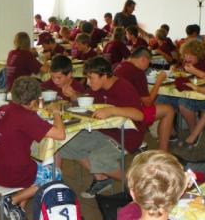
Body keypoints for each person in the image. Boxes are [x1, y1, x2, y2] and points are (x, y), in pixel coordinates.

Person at [0, 76, 66, 220]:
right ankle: (13, 200)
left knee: (30, 165)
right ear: (34, 101)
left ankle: (19, 211)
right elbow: (60, 134)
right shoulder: (27, 117)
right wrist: (57, 113)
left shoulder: (1, 110)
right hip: (13, 174)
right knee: (55, 175)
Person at [58, 56, 145, 198]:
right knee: (65, 143)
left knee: (98, 158)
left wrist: (112, 110)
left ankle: (134, 184)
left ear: (104, 76)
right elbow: (89, 102)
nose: (88, 82)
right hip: (104, 131)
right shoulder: (98, 86)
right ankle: (102, 178)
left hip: (127, 136)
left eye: (91, 78)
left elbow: (139, 115)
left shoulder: (123, 88)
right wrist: (74, 95)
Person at [114, 48, 175, 151]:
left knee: (160, 103)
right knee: (169, 110)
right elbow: (148, 102)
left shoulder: (119, 66)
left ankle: (169, 134)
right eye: (148, 62)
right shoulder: (137, 72)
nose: (148, 66)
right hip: (130, 114)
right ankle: (163, 151)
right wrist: (158, 82)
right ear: (143, 59)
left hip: (116, 107)